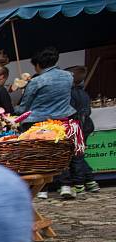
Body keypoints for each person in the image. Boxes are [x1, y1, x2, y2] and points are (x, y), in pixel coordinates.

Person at [54, 65, 99, 199]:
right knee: (79, 155)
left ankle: (79, 183)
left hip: (75, 127)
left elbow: (68, 111)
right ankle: (90, 180)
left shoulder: (69, 94)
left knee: (74, 157)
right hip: (85, 126)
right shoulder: (83, 93)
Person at [15, 47, 75, 126]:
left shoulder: (36, 81)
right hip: (64, 117)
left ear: (37, 64)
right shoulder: (69, 75)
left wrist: (13, 108)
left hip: (38, 122)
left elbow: (23, 109)